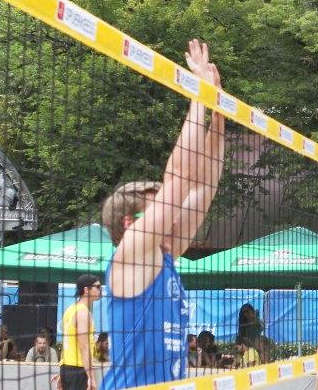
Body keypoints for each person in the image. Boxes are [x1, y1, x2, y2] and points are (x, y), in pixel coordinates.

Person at [102, 39, 226, 389]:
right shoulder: (133, 255)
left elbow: (203, 188)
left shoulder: (164, 254)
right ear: (130, 224)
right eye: (157, 207)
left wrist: (218, 113)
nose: (170, 211)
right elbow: (179, 180)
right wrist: (198, 96)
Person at [60, 274, 102, 390]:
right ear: (86, 290)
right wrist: (91, 377)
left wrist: (63, 372)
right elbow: (84, 347)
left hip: (68, 368)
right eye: (97, 287)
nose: (100, 289)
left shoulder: (71, 309)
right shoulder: (82, 313)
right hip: (78, 370)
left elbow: (68, 344)